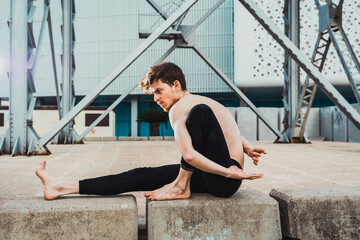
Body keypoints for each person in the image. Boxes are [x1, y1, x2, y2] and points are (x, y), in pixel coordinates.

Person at [36, 62, 266, 201]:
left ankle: (180, 185)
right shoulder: (198, 101)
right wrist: (245, 146)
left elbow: (189, 155)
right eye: (153, 94)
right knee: (142, 174)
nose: (156, 99)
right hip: (218, 176)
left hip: (224, 180)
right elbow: (225, 128)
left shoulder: (184, 109)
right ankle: (61, 187)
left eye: (159, 91)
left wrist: (230, 173)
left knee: (201, 113)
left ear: (176, 85)